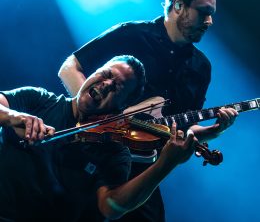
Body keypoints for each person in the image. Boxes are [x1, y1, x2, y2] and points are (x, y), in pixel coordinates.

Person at [58, 0, 238, 221]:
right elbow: (69, 67)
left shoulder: (201, 68)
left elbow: (181, 127)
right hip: (93, 151)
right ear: (178, 6)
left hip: (141, 164)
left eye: (212, 13)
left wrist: (213, 130)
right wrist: (97, 117)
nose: (209, 21)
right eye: (204, 12)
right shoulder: (131, 34)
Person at [0, 55, 199, 221]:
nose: (106, 85)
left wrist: (165, 164)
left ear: (122, 107)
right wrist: (14, 117)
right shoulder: (40, 100)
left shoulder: (114, 151)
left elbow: (111, 207)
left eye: (117, 88)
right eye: (105, 74)